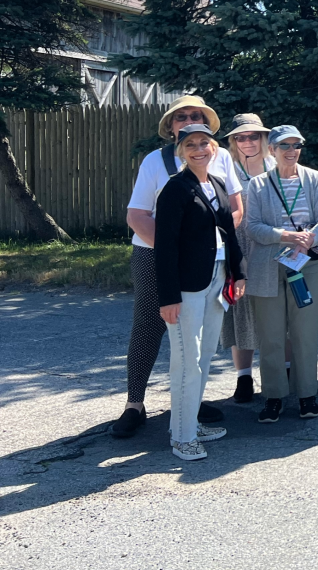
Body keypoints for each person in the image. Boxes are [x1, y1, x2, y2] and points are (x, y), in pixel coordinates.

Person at [111, 96, 242, 440]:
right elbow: (137, 216)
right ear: (171, 127)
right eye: (181, 117)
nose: (187, 121)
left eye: (196, 116)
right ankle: (135, 404)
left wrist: (214, 246)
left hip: (210, 259)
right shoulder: (156, 161)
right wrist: (178, 251)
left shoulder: (221, 157)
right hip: (154, 254)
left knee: (198, 334)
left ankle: (189, 407)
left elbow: (236, 209)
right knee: (149, 325)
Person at [153, 125, 244, 460]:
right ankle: (182, 437)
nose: (198, 149)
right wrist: (168, 297)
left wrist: (239, 272)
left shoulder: (216, 184)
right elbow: (164, 248)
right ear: (181, 151)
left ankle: (187, 423)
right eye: (190, 144)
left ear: (214, 148)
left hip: (217, 280)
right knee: (187, 362)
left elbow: (228, 232)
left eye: (204, 143)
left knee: (204, 358)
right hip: (185, 289)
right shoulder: (175, 190)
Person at [244, 125, 318, 422]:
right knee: (271, 336)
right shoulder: (257, 185)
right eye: (284, 145)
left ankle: (307, 395)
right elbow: (252, 226)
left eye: (296, 145)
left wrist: (312, 237)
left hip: (307, 264)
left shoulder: (315, 179)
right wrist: (285, 236)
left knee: (305, 334)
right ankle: (273, 397)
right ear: (271, 150)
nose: (291, 151)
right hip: (268, 267)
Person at [222, 113, 273, 404]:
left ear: (263, 138)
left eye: (253, 135)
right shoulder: (224, 169)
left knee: (277, 309)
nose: (247, 141)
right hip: (239, 244)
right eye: (240, 137)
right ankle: (244, 376)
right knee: (240, 310)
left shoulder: (277, 165)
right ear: (233, 141)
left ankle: (284, 371)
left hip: (271, 244)